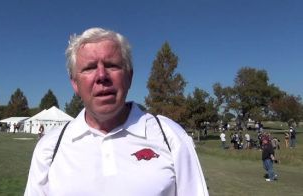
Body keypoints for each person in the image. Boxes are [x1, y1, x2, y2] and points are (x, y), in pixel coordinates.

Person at [24, 27, 209, 196]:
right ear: (75, 84)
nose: (102, 76)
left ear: (129, 76)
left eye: (112, 65)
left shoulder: (170, 135)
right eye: (89, 68)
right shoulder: (50, 147)